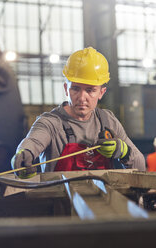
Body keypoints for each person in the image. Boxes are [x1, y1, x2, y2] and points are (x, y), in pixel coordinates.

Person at [11, 47, 145, 178]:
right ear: (66, 89)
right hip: (60, 199)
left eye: (90, 90)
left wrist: (124, 151)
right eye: (75, 88)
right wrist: (24, 154)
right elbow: (33, 142)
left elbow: (140, 167)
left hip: (103, 199)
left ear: (101, 92)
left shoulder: (108, 121)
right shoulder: (50, 123)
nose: (81, 98)